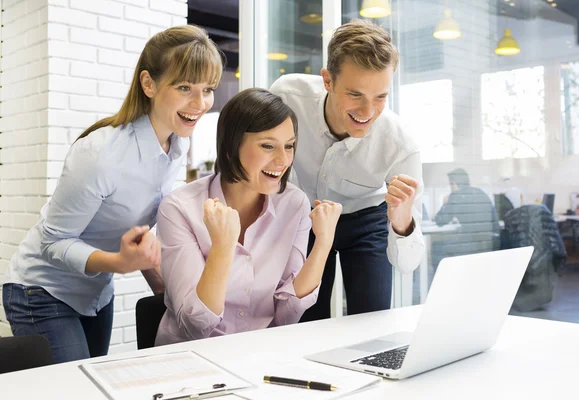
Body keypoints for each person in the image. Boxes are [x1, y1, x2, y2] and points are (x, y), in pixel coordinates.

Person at [1, 25, 223, 363]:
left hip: (95, 293)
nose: (201, 102)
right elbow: (54, 241)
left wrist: (170, 292)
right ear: (149, 83)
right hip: (42, 291)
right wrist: (119, 263)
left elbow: (138, 229)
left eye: (208, 89)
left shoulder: (176, 146)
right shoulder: (101, 154)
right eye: (184, 87)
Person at [155, 88, 342, 345]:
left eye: (289, 146)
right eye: (268, 146)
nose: (283, 160)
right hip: (192, 361)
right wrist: (222, 247)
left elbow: (287, 315)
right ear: (232, 146)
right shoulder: (179, 209)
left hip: (259, 356)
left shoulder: (294, 204)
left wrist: (323, 242)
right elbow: (195, 327)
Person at [270, 19, 425, 321]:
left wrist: (403, 220)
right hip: (307, 216)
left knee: (371, 321)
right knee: (303, 316)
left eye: (380, 97)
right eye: (355, 95)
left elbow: (408, 263)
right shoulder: (287, 97)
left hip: (368, 218)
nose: (368, 112)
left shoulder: (400, 144)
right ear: (327, 80)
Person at [432, 168, 500, 271]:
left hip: (472, 246)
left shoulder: (455, 196)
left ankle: (442, 282)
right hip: (491, 243)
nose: (450, 187)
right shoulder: (481, 193)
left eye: (450, 184)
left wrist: (445, 204)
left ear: (454, 183)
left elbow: (440, 221)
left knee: (436, 246)